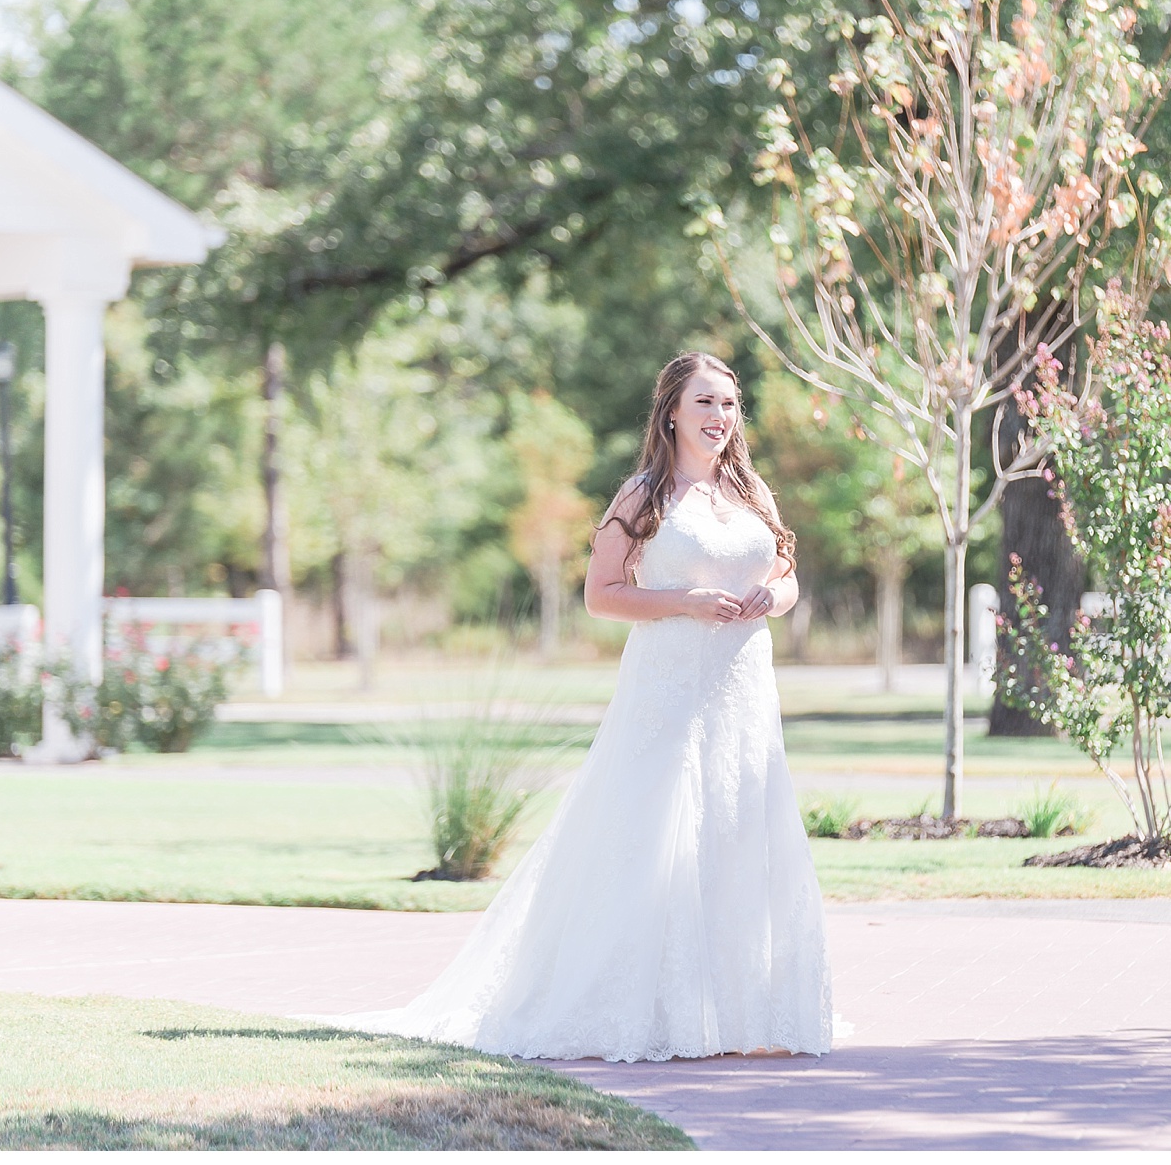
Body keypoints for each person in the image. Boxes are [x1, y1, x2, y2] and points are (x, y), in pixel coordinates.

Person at [325, 352, 834, 1062]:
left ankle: (738, 1011)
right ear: (672, 412)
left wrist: (769, 600)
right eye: (706, 402)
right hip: (666, 690)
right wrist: (680, 602)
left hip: (743, 688)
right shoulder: (642, 494)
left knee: (736, 831)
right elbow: (601, 594)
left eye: (729, 403)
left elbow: (786, 577)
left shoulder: (751, 490)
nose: (721, 417)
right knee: (653, 834)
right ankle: (646, 1009)